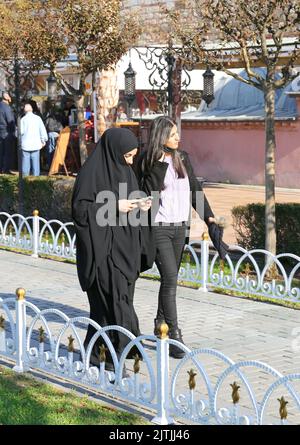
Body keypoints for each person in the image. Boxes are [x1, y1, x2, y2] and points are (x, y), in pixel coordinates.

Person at [136, 116, 228, 359]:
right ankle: (174, 335)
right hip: (158, 228)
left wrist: (209, 217)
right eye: (173, 134)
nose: (178, 137)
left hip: (180, 229)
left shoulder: (182, 158)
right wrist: (157, 165)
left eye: (177, 133)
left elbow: (195, 190)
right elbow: (143, 192)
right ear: (161, 136)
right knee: (170, 278)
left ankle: (160, 323)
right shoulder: (148, 161)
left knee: (169, 278)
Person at [72, 127, 152, 371]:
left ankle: (96, 355)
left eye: (132, 157)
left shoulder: (127, 173)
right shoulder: (90, 174)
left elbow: (131, 206)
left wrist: (141, 205)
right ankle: (118, 358)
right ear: (114, 151)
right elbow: (80, 211)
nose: (130, 161)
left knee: (106, 309)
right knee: (115, 305)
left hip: (124, 249)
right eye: (127, 156)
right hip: (102, 252)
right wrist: (114, 206)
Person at [20, 103, 48, 176]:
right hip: (36, 144)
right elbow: (42, 130)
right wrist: (43, 140)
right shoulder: (37, 118)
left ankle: (25, 182)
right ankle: (36, 182)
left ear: (24, 111)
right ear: (32, 110)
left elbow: (20, 132)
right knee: (36, 166)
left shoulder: (23, 119)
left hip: (25, 145)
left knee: (25, 166)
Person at [0, 92, 16, 174]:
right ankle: (6, 170)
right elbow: (10, 121)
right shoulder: (7, 108)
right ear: (7, 97)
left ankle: (1, 169)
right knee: (8, 152)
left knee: (1, 151)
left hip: (1, 131)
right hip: (7, 132)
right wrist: (13, 132)